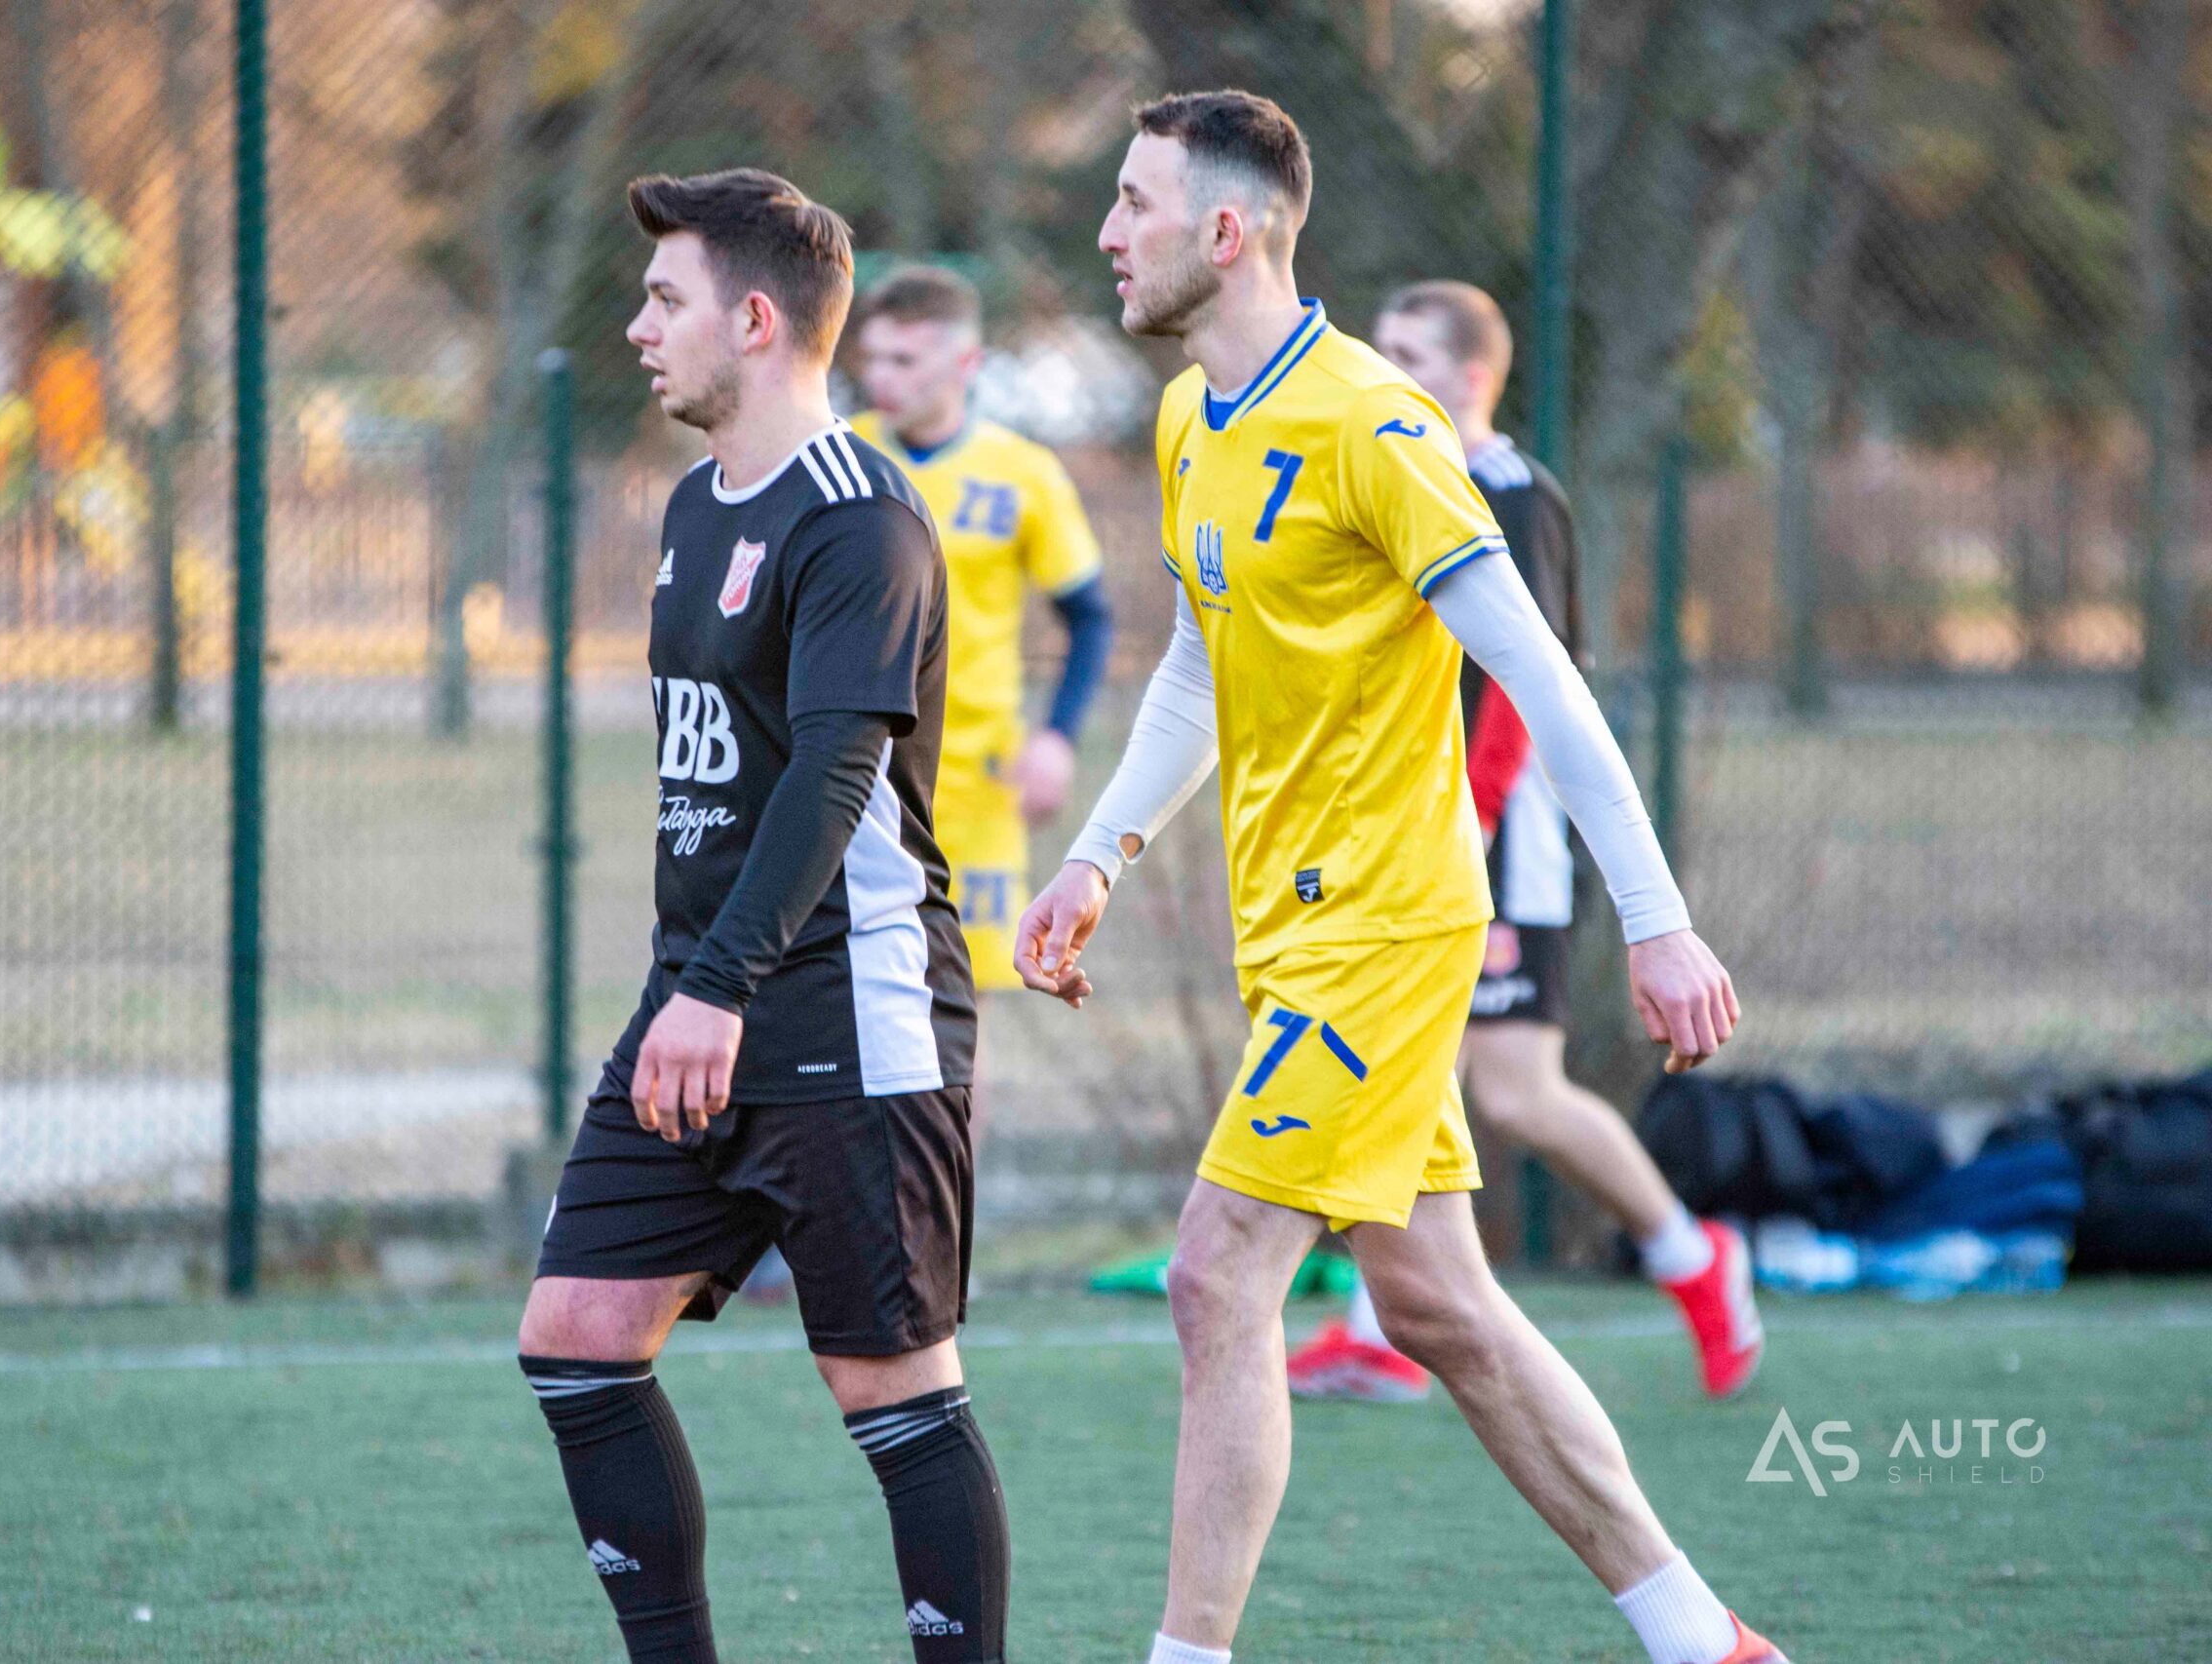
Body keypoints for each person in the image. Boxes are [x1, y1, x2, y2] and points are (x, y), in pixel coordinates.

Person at [1014, 93, 1787, 1664]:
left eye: (1133, 203)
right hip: (1297, 932)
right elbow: (1197, 660)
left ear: (1225, 230)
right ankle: (1702, 1635)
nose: (1107, 233)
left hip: (1388, 923)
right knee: (1441, 1308)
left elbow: (1545, 677)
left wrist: (1657, 920)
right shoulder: (1191, 420)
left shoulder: (1376, 424)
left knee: (1217, 1270)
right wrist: (1098, 850)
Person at [517, 169, 1007, 1664]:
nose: (637, 325)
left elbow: (836, 775)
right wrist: (697, 983)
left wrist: (718, 986)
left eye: (664, 299)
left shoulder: (862, 519)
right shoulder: (692, 504)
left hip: (846, 1005)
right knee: (578, 1336)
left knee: (891, 1386)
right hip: (701, 995)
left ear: (753, 319)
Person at [1285, 281, 1763, 1407]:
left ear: (1472, 377)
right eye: (1378, 348)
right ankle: (1383, 1327)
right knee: (1425, 1071)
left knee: (1512, 1090)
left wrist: (1479, 815)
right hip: (1418, 821)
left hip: (1504, 834)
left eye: (1410, 353)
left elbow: (1524, 676)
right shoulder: (1393, 471)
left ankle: (1693, 1257)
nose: (1386, 369)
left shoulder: (1508, 490)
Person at [851, 265, 1116, 993]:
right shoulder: (844, 459)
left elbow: (1090, 617)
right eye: (872, 357)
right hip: (855, 773)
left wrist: (1057, 737)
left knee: (958, 996)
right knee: (851, 991)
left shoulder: (1023, 473)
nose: (881, 377)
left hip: (978, 783)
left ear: (965, 362)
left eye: (904, 359)